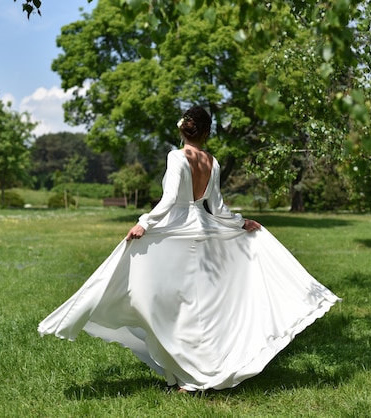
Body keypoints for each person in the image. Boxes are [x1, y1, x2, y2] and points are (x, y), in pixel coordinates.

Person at [38, 106, 340, 393]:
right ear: (206, 132)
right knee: (200, 306)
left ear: (184, 130)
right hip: (205, 231)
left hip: (177, 233)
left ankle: (188, 373)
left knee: (167, 303)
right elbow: (217, 207)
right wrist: (240, 222)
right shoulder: (212, 161)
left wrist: (145, 222)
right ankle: (189, 371)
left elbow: (169, 200)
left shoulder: (176, 157)